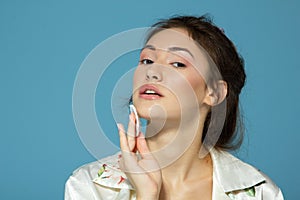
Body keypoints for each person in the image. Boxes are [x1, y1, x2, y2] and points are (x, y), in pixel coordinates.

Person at [65, 15, 284, 200]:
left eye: (177, 63)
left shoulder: (261, 192)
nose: (152, 72)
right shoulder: (89, 186)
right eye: (147, 60)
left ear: (214, 93)